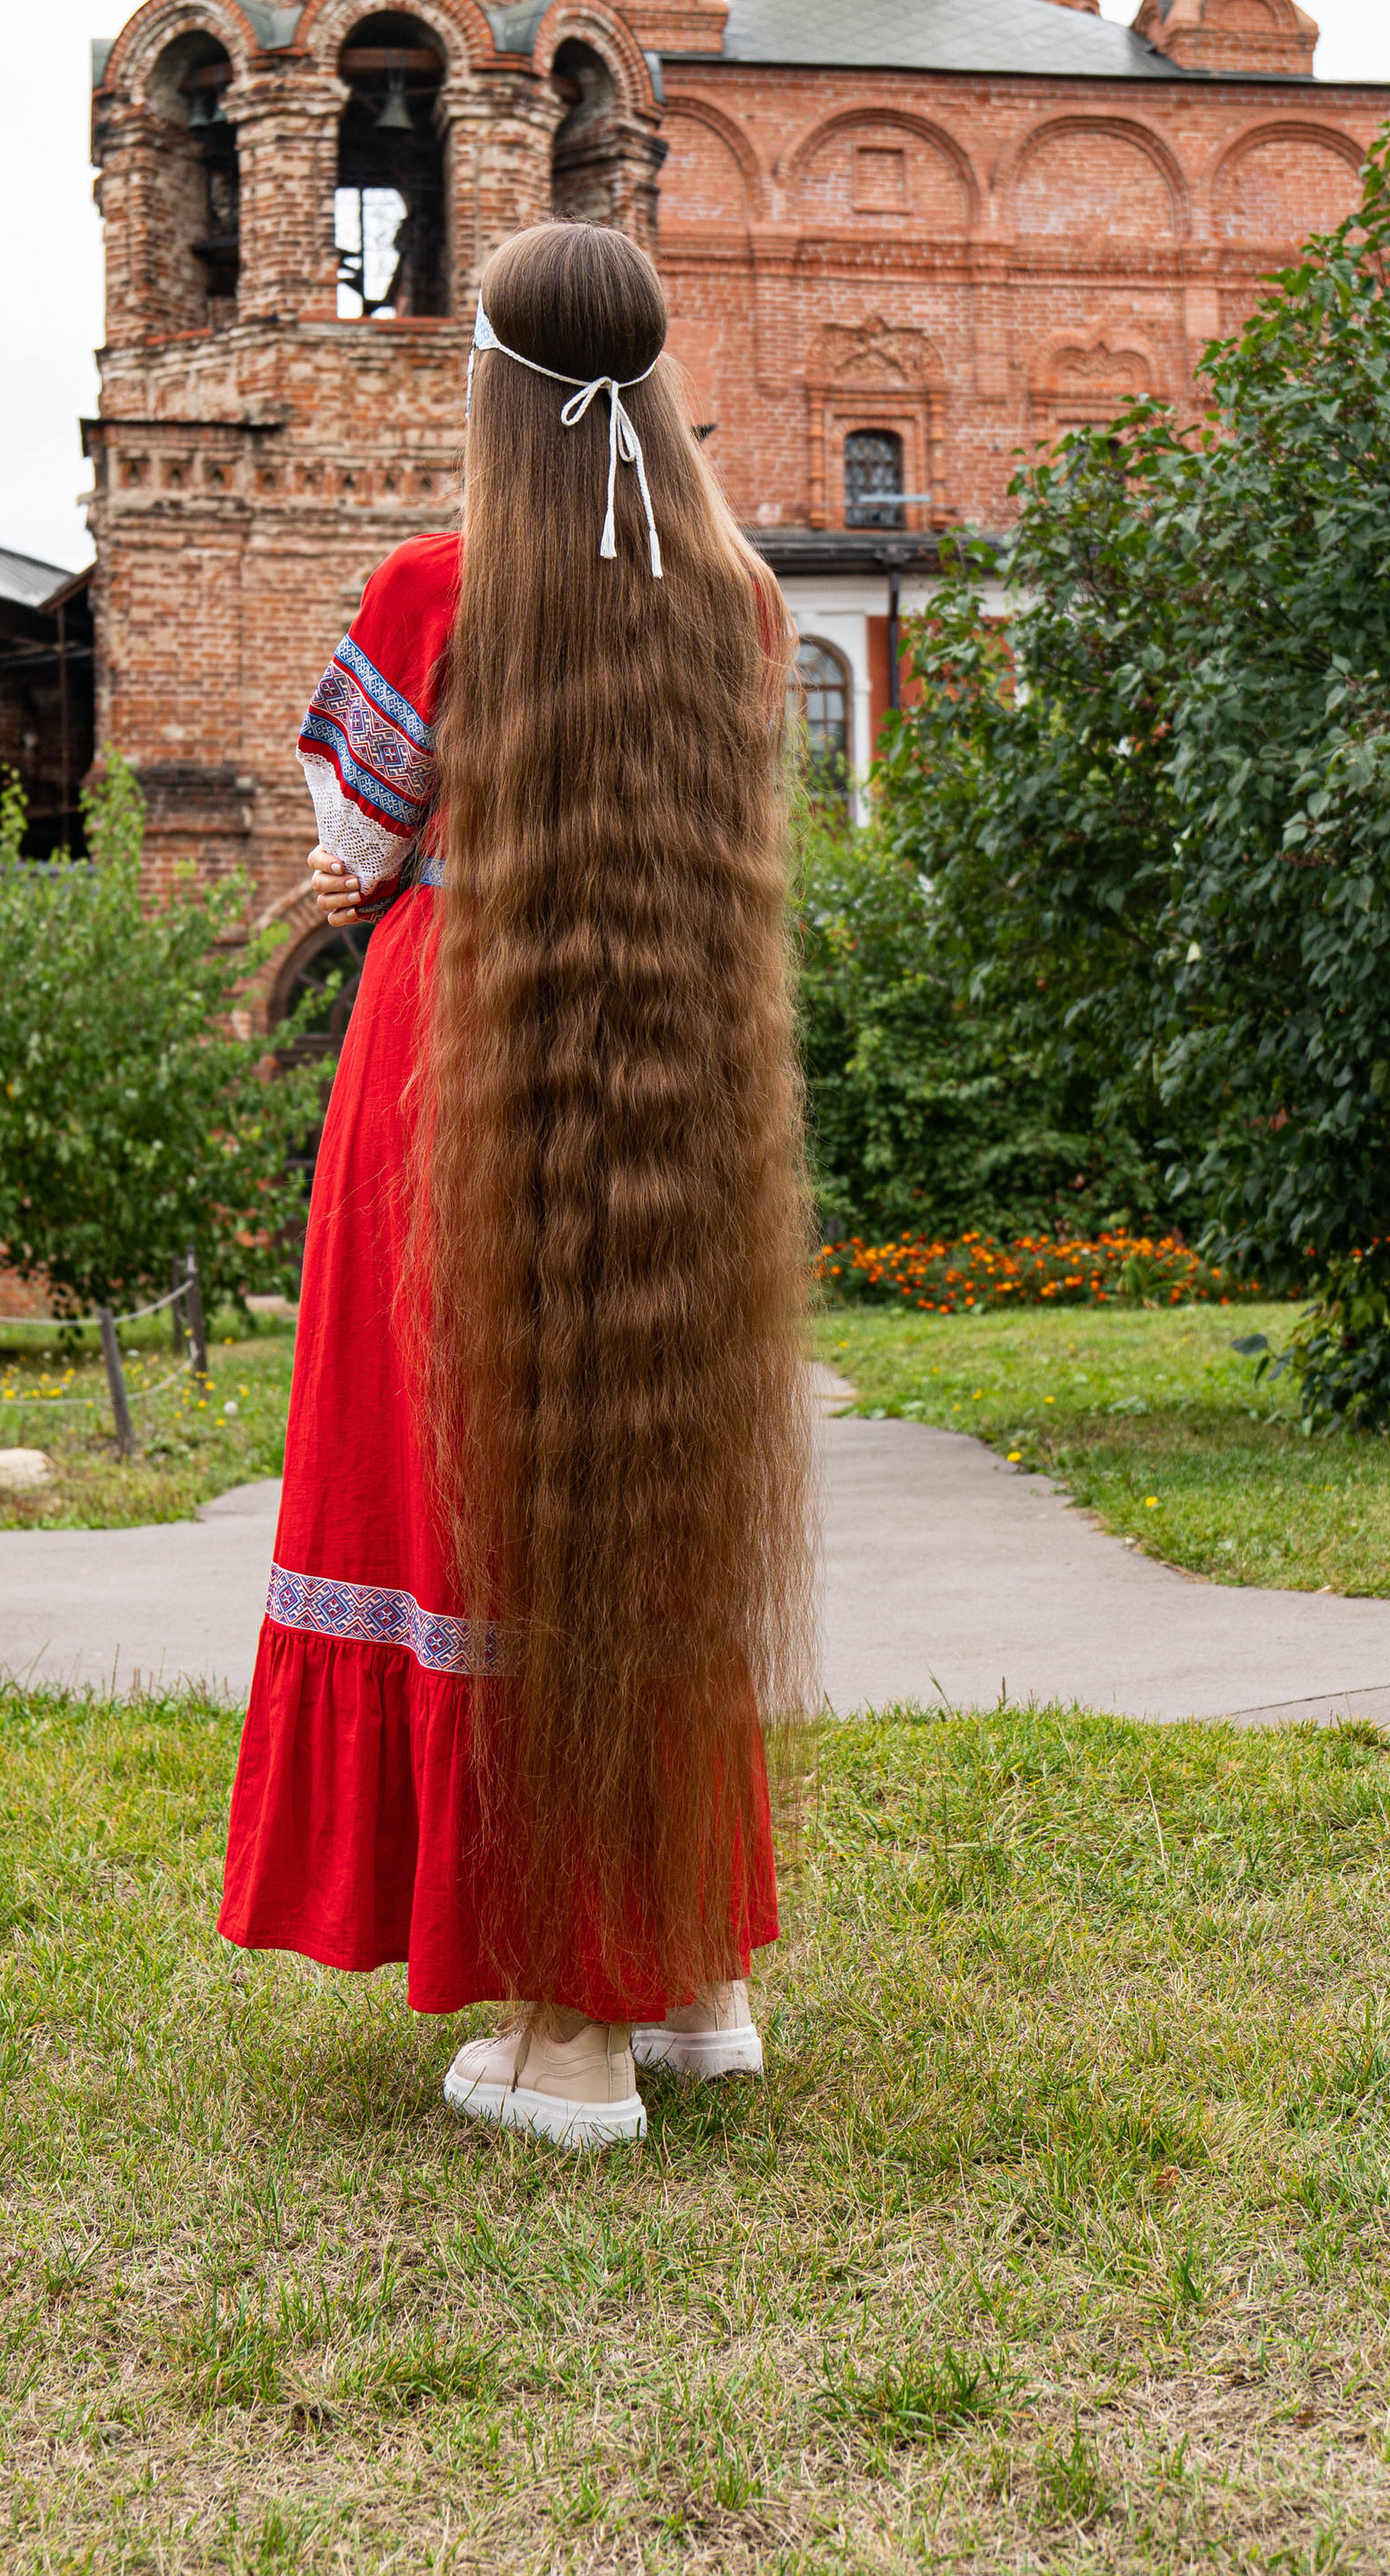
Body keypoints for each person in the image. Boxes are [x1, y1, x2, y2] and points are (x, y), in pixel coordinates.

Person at [219, 218, 813, 2150]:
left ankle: (568, 2039)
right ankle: (688, 1977)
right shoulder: (736, 602)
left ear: (496, 387)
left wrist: (362, 875)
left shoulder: (433, 585)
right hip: (679, 1070)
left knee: (458, 1500)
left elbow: (354, 830)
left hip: (457, 1065)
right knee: (642, 1485)